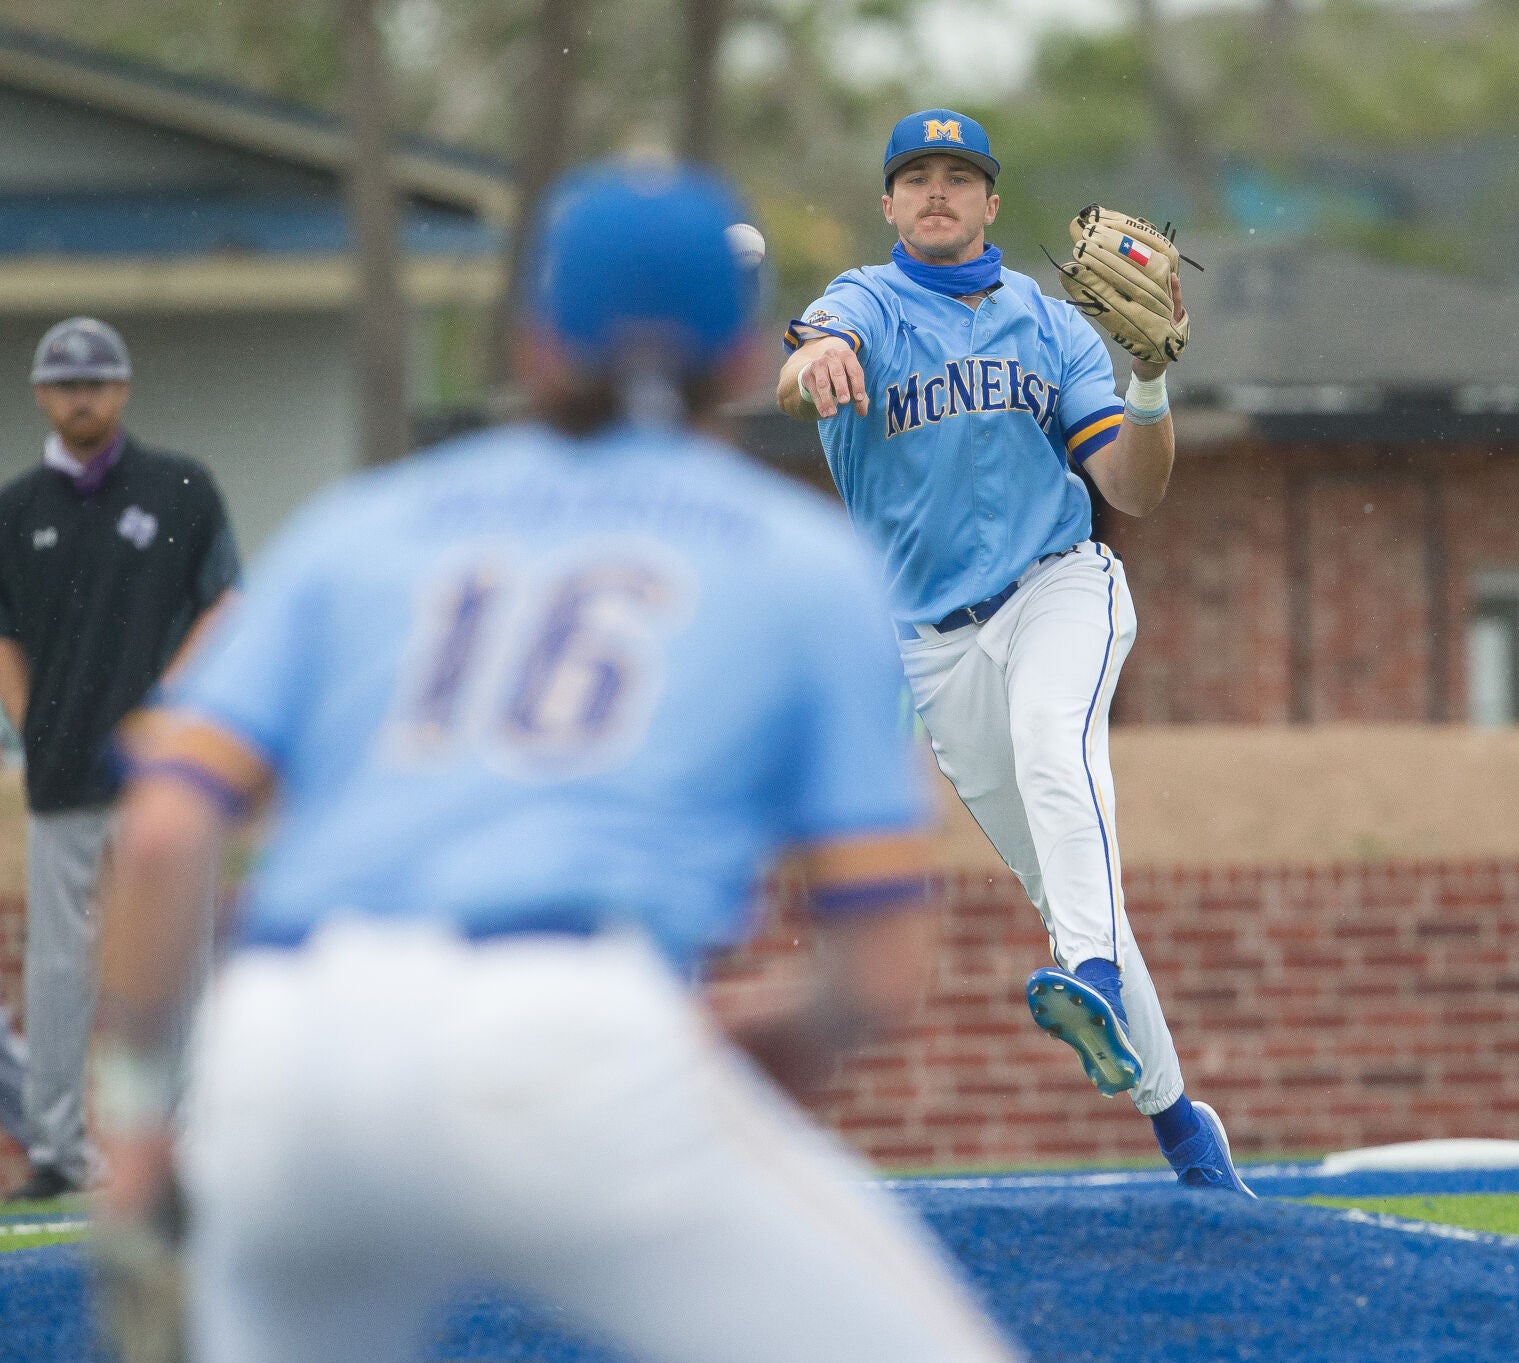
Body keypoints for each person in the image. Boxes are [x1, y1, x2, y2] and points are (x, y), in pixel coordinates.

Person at [93, 160, 1025, 1363]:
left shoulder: (364, 523)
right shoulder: (801, 560)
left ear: (535, 344)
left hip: (283, 1052)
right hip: (561, 1029)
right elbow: (880, 970)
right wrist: (776, 1035)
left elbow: (166, 829)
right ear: (742, 359)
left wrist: (132, 1130)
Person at [776, 108, 1253, 1194]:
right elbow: (800, 368)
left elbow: (1134, 486)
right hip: (932, 650)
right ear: (890, 204)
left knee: (1055, 746)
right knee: (1066, 877)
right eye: (916, 177)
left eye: (959, 175)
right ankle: (1186, 1132)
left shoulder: (1049, 324)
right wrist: (826, 357)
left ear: (992, 202)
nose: (937, 191)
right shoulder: (863, 303)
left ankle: (1081, 970)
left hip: (1057, 586)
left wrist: (1149, 381)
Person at [0, 318, 238, 1203]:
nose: (81, 398)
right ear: (40, 396)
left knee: (178, 960)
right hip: (64, 777)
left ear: (124, 390)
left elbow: (226, 603)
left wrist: (170, 707)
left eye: (96, 382)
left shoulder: (179, 489)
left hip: (161, 781)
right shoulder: (17, 511)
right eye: (65, 385)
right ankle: (58, 1149)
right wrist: (32, 721)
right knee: (61, 969)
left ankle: (187, 1139)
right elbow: (5, 635)